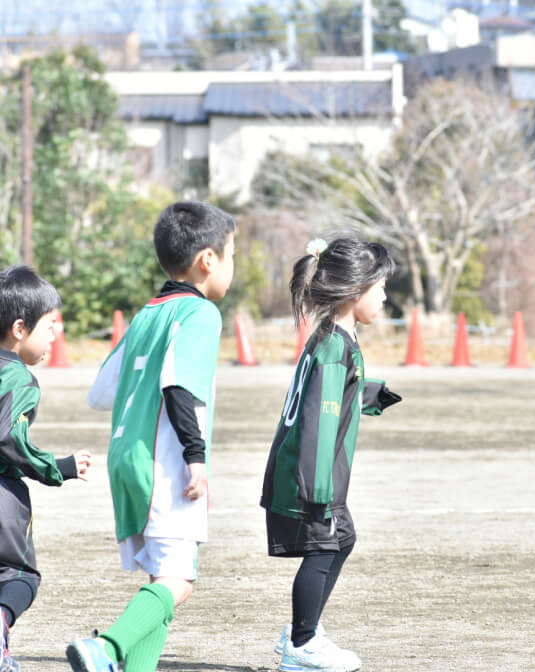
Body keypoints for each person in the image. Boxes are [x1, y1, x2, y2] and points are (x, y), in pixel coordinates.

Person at [66, 201, 236, 672]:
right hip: (165, 464)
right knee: (179, 580)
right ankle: (108, 647)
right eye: (232, 256)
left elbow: (100, 393)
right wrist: (196, 458)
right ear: (207, 260)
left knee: (160, 579)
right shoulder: (199, 315)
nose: (232, 268)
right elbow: (181, 387)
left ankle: (130, 664)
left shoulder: (145, 315)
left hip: (125, 462)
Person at [261, 237, 401, 672]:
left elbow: (327, 396)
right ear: (355, 290)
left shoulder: (335, 338)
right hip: (310, 474)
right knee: (325, 545)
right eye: (379, 287)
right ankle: (301, 644)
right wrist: (317, 489)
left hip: (310, 471)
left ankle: (306, 631)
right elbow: (319, 420)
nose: (384, 296)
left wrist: (368, 392)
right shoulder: (335, 347)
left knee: (342, 539)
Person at [0, 266, 92, 672]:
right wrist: (58, 466)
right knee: (19, 576)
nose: (56, 335)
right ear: (20, 328)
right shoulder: (19, 378)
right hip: (3, 497)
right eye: (50, 325)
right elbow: (8, 439)